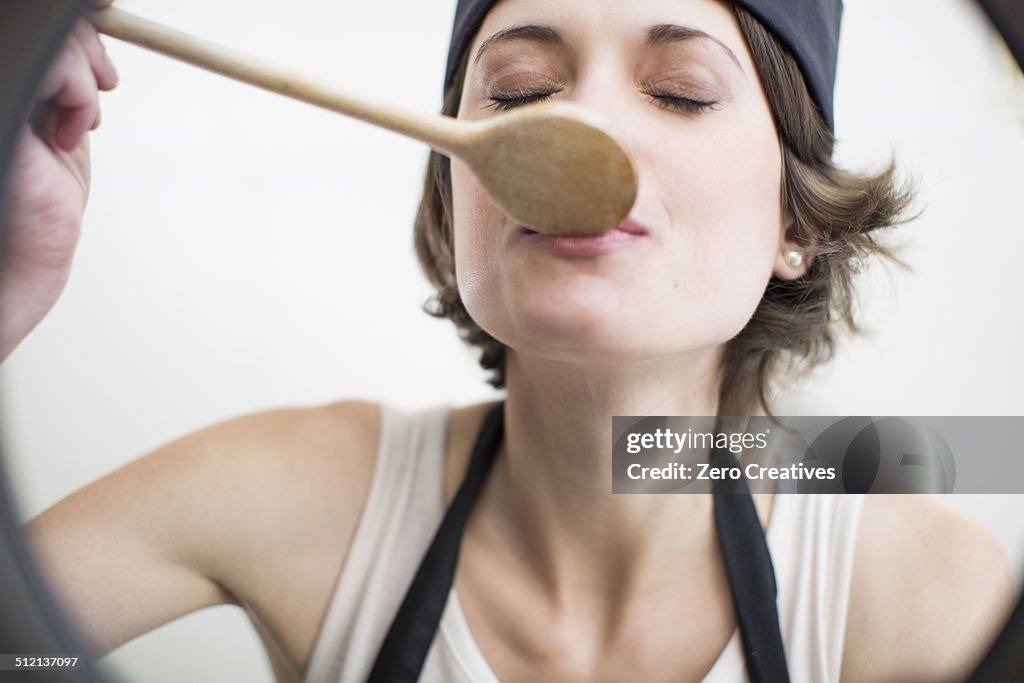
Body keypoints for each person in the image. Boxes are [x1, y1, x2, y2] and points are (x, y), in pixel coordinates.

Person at [1, 0, 1016, 681]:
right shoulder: (297, 491)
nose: (590, 125)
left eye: (682, 91)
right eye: (521, 91)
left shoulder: (921, 591)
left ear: (797, 223)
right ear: (456, 202)